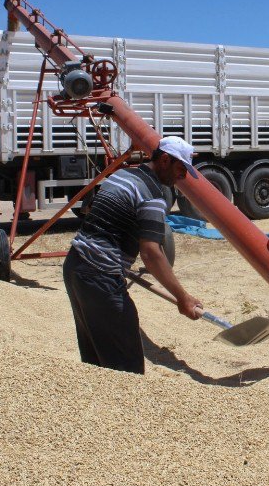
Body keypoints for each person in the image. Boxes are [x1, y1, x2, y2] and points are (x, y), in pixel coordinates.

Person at [62, 136, 203, 374]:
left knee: (96, 361)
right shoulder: (151, 196)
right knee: (127, 369)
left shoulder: (121, 176)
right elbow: (151, 253)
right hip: (99, 276)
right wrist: (183, 297)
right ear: (165, 160)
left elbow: (101, 220)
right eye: (181, 169)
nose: (183, 176)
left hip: (75, 266)